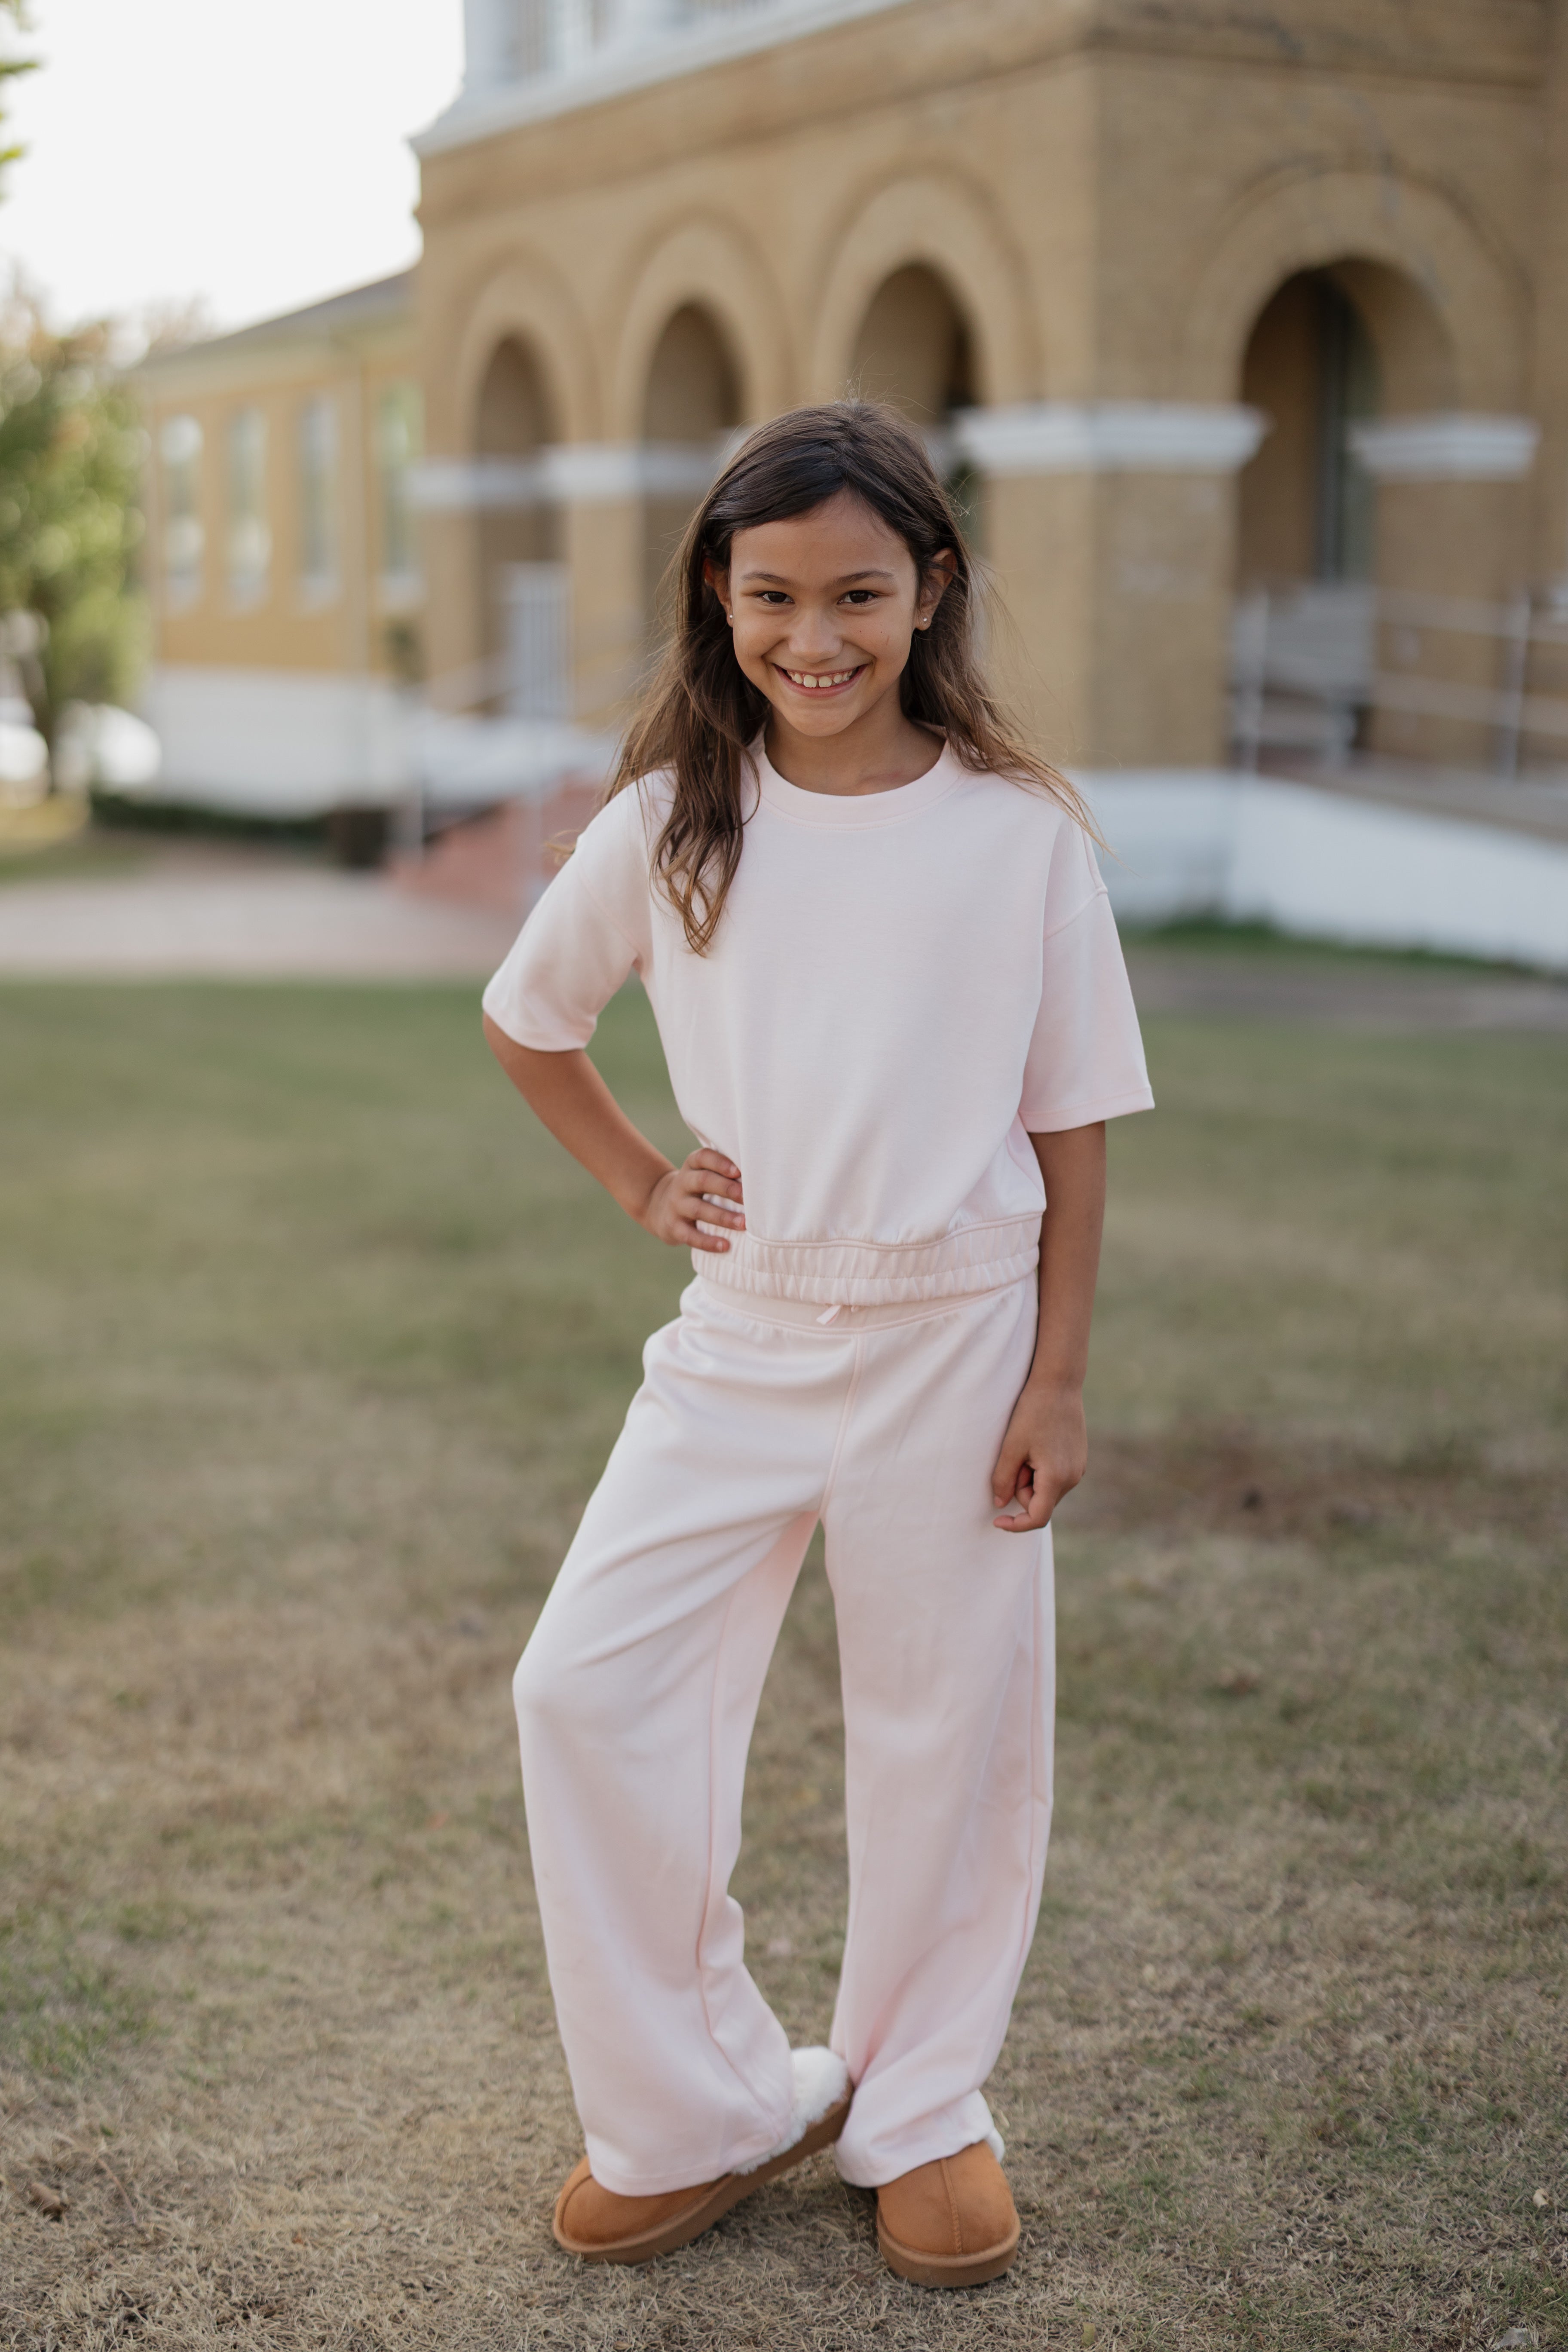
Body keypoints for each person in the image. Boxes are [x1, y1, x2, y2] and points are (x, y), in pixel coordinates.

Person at [481, 401, 1153, 2290]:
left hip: (961, 1329)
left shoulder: (1021, 837)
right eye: (773, 594)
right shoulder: (671, 822)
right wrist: (640, 1179)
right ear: (720, 593)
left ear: (931, 590)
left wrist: (1060, 1375)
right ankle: (697, 2108)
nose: (815, 636)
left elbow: (1072, 1122)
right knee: (583, 1686)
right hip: (746, 1330)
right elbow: (532, 1017)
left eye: (858, 594)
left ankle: (919, 2106)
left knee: (948, 1733)